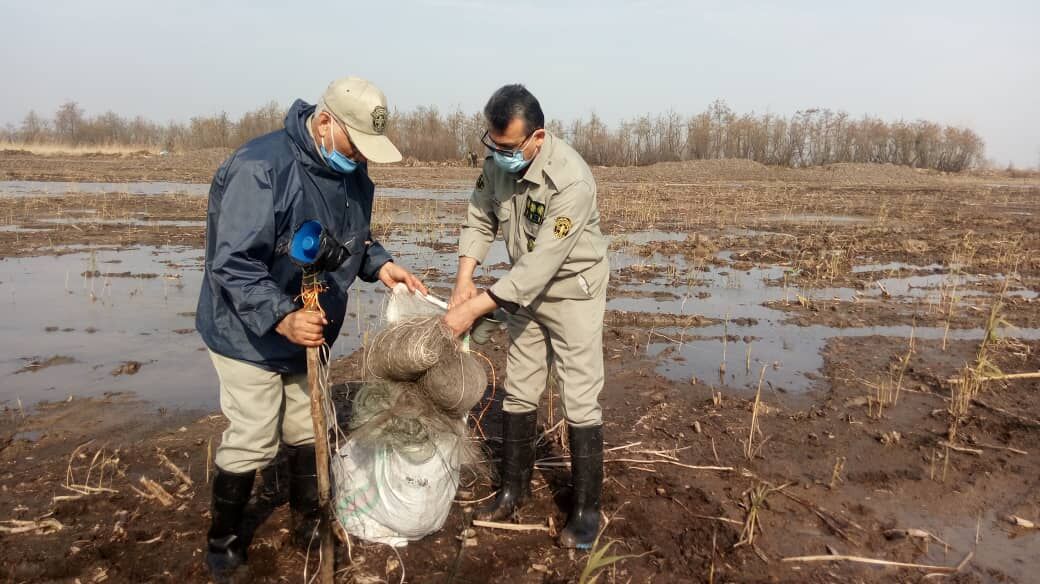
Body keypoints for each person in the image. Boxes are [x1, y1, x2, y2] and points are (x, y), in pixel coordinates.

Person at [195, 76, 426, 580]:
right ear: (324, 123)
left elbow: (351, 241)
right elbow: (231, 264)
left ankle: (308, 522)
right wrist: (281, 316)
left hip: (311, 326)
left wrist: (381, 265)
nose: (361, 159)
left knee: (307, 423)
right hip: (246, 329)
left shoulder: (355, 177)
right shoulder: (260, 169)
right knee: (255, 434)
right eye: (356, 146)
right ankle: (225, 539)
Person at [444, 84, 609, 549]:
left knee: (578, 393)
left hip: (572, 289)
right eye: (491, 146)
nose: (499, 156)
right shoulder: (497, 160)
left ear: (537, 137)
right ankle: (512, 491)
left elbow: (542, 265)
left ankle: (585, 511)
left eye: (509, 148)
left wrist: (477, 306)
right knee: (520, 384)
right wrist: (463, 279)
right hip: (523, 293)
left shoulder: (571, 180)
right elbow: (480, 216)